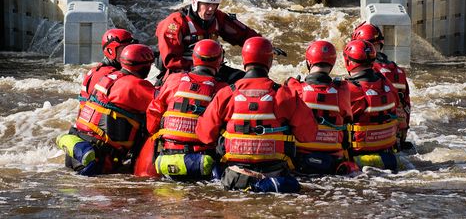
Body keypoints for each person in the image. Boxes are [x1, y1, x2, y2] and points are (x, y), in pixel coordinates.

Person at [196, 37, 317, 192]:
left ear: (244, 61)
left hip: (235, 179)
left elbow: (205, 135)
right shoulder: (285, 95)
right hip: (276, 180)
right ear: (270, 62)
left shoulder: (226, 94)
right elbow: (308, 134)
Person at [154, 0, 286, 84]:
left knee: (247, 81)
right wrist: (202, 68)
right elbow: (171, 60)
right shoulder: (175, 22)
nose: (211, 9)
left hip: (213, 70)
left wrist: (264, 46)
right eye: (206, 4)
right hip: (182, 72)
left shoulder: (218, 18)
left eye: (215, 5)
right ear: (195, 2)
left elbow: (243, 35)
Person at [134, 39, 229, 178]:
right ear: (219, 60)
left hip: (167, 159)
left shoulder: (173, 79)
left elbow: (153, 115)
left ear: (194, 58)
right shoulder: (223, 89)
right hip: (201, 161)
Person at [57, 44, 156, 176]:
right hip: (99, 160)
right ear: (145, 66)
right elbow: (164, 103)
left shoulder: (108, 77)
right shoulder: (135, 85)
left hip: (78, 151)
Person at [286, 40, 354, 175]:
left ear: (309, 62)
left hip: (299, 161)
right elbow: (348, 117)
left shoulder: (295, 86)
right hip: (333, 161)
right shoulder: (342, 90)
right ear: (332, 64)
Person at [351, 22, 412, 151]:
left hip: (372, 140)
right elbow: (406, 105)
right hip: (395, 137)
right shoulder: (399, 71)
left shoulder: (368, 72)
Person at [343, 39, 401, 171]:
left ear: (348, 62)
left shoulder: (348, 89)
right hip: (388, 156)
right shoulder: (387, 85)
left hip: (357, 157)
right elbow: (397, 105)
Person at [78, 28, 136, 105]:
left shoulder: (95, 71)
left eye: (130, 49)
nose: (129, 53)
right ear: (110, 51)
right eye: (124, 49)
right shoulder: (113, 77)